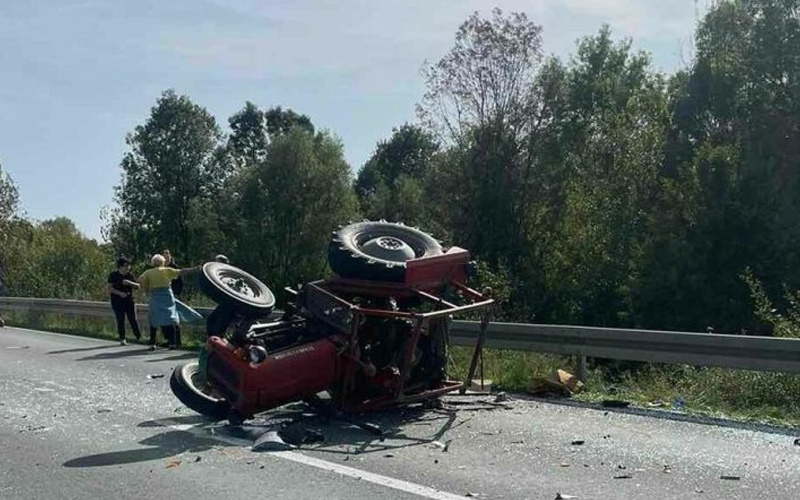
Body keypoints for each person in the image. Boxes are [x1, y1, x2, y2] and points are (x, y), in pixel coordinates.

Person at [139, 254, 196, 350]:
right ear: (162, 262)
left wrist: (147, 289)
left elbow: (141, 279)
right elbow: (181, 272)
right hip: (166, 295)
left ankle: (152, 342)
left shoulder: (148, 272)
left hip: (155, 295)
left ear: (153, 263)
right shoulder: (167, 270)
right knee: (170, 317)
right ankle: (173, 343)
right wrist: (194, 269)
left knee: (154, 318)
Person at [149, 249, 185, 347]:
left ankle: (177, 341)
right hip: (163, 297)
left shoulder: (173, 268)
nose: (166, 258)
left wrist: (177, 293)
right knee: (164, 319)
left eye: (167, 256)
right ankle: (169, 340)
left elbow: (180, 282)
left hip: (172, 296)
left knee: (173, 318)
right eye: (164, 256)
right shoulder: (159, 270)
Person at [106, 257, 141, 345]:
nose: (128, 268)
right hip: (117, 301)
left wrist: (129, 283)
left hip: (129, 300)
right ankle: (122, 338)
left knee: (133, 319)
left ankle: (138, 337)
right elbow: (109, 288)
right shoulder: (113, 275)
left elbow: (138, 286)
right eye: (125, 266)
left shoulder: (130, 275)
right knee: (120, 319)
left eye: (129, 266)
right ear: (120, 266)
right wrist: (119, 293)